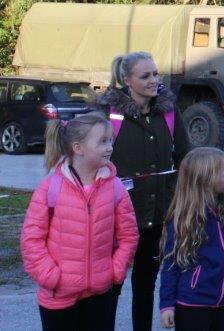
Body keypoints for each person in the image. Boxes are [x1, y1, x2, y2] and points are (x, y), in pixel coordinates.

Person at [98, 52, 190, 331]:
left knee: (146, 285)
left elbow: (185, 159)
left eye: (155, 74)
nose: (153, 80)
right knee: (110, 285)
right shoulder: (107, 114)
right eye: (145, 76)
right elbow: (91, 161)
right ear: (127, 80)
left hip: (156, 218)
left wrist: (173, 193)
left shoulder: (169, 112)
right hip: (115, 219)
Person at [22, 112, 139, 331]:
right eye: (102, 141)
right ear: (78, 148)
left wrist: (114, 270)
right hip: (58, 296)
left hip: (99, 294)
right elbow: (31, 240)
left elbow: (129, 235)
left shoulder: (116, 188)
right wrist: (51, 277)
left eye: (110, 140)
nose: (110, 147)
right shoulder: (49, 189)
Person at [158, 147, 224, 331]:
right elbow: (171, 263)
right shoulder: (184, 217)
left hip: (222, 302)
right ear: (206, 180)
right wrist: (166, 304)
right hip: (191, 305)